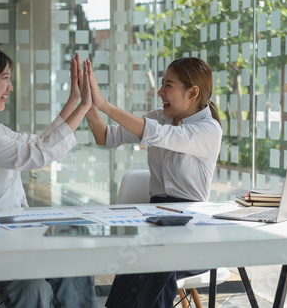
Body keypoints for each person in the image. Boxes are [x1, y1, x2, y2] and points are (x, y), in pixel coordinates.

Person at [0, 45, 96, 308]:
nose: (10, 88)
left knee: (74, 265)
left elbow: (38, 142)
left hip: (10, 239)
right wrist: (84, 107)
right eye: (5, 78)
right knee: (31, 284)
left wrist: (74, 99)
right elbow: (35, 155)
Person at [81, 56, 223, 307]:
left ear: (193, 92)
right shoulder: (158, 117)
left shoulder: (208, 130)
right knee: (149, 258)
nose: (160, 91)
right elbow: (105, 136)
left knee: (150, 260)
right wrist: (88, 103)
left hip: (191, 230)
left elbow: (161, 135)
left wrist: (105, 105)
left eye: (168, 85)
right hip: (154, 222)